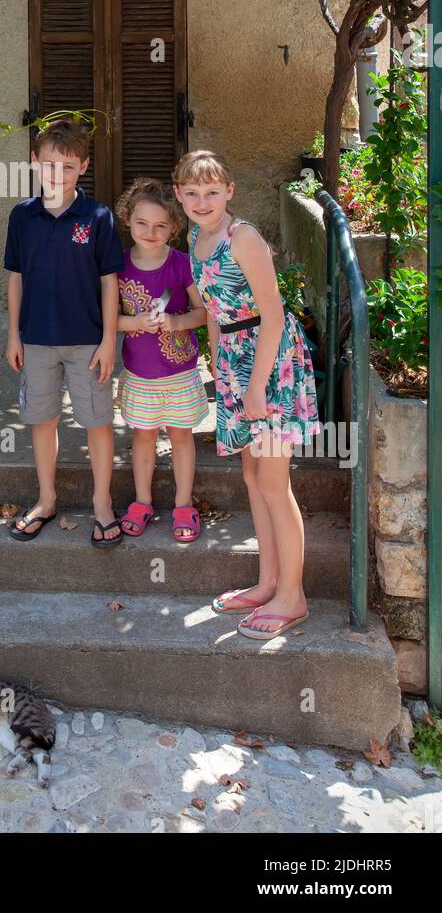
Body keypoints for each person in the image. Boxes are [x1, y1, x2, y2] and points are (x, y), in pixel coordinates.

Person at [173, 149, 321, 639]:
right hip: (237, 364)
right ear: (179, 195)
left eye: (212, 192)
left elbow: (273, 314)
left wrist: (256, 385)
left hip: (271, 363)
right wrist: (218, 370)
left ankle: (293, 597)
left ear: (229, 191)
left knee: (276, 484)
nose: (202, 200)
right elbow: (216, 312)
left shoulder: (245, 238)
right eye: (191, 193)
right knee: (255, 478)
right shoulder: (195, 237)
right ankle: (268, 582)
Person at [4, 120, 125, 546]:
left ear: (84, 167)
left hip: (87, 342)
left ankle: (102, 503)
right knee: (42, 419)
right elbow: (15, 277)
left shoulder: (98, 217)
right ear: (35, 162)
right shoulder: (22, 216)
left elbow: (110, 280)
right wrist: (13, 335)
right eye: (50, 165)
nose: (58, 174)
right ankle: (46, 498)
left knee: (96, 421)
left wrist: (109, 340)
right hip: (36, 339)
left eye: (69, 167)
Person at [114, 177, 208, 542]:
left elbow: (202, 313)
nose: (150, 232)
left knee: (182, 437)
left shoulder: (182, 265)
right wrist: (135, 322)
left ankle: (184, 504)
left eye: (160, 225)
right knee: (143, 437)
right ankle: (142, 501)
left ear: (174, 227)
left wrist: (176, 322)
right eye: (142, 223)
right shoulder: (118, 267)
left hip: (180, 372)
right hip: (139, 374)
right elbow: (105, 319)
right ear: (127, 219)